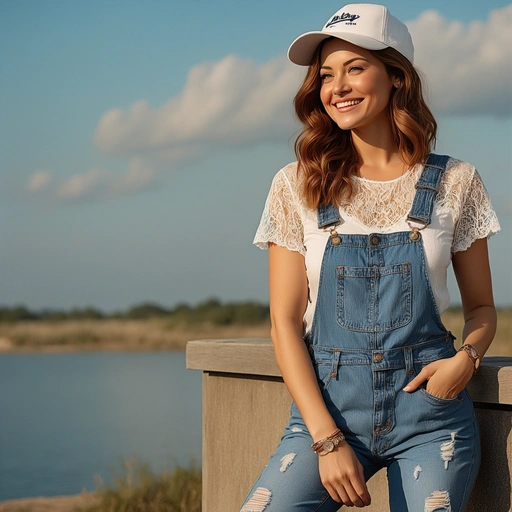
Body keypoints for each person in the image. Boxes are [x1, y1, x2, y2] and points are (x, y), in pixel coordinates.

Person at [240, 3, 501, 511]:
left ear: (396, 76)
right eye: (326, 75)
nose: (337, 86)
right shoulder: (297, 185)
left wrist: (465, 361)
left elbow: (483, 311)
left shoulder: (455, 181)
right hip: (328, 416)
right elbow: (283, 322)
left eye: (355, 68)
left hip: (431, 419)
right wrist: (326, 440)